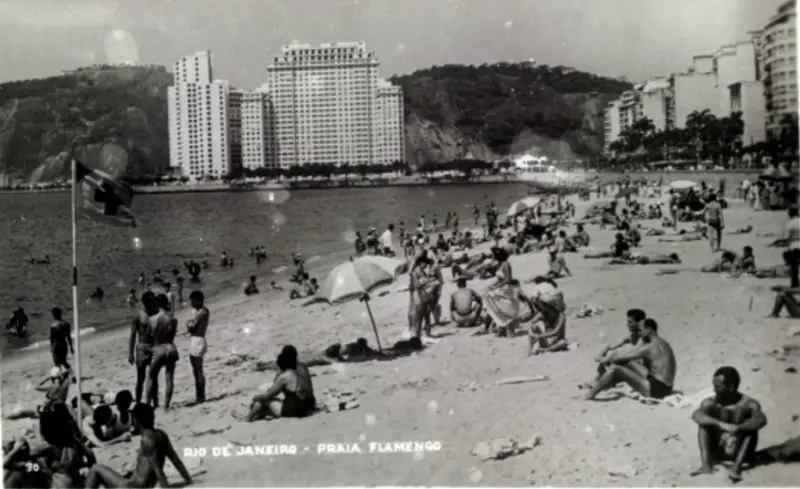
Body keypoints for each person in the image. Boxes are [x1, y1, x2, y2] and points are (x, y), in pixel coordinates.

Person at [84, 404, 193, 488]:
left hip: (133, 486)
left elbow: (157, 470)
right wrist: (188, 480)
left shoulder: (146, 440)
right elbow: (175, 460)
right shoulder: (161, 434)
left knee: (95, 468)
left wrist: (165, 487)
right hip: (141, 484)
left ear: (137, 421)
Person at [690, 366, 768, 482]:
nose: (714, 390)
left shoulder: (748, 404)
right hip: (718, 451)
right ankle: (706, 465)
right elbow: (696, 415)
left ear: (731, 387)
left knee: (751, 427)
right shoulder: (711, 403)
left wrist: (739, 428)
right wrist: (719, 424)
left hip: (740, 452)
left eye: (718, 387)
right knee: (704, 424)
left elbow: (761, 419)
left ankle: (736, 468)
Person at [584, 318, 676, 401]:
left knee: (616, 369)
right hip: (667, 387)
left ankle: (589, 394)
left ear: (649, 330)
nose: (639, 334)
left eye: (640, 330)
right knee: (629, 363)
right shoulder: (663, 343)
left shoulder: (649, 347)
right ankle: (603, 384)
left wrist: (603, 359)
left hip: (656, 390)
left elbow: (622, 357)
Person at [245, 347, 316, 422]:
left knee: (262, 401)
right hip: (307, 405)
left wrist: (255, 397)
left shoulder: (285, 376)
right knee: (268, 405)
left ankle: (248, 419)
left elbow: (268, 395)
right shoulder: (299, 369)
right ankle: (261, 415)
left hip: (294, 411)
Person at [145, 294, 179, 410]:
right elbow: (173, 335)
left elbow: (149, 337)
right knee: (169, 378)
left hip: (158, 349)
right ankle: (166, 406)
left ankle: (148, 404)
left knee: (151, 377)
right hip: (171, 348)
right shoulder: (173, 320)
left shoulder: (152, 320)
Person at [481, 247, 522, 336]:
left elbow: (508, 279)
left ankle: (506, 323)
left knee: (489, 295)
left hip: (506, 288)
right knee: (486, 295)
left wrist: (496, 286)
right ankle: (502, 323)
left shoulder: (506, 264)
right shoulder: (501, 264)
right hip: (502, 287)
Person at [526, 278, 567, 356]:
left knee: (563, 342)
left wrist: (539, 335)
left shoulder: (561, 315)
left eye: (543, 305)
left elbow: (556, 331)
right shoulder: (543, 314)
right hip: (546, 339)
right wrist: (531, 331)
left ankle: (544, 350)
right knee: (537, 324)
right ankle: (530, 350)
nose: (541, 307)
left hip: (555, 340)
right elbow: (530, 322)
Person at [129, 292, 156, 404]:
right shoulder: (138, 316)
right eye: (151, 302)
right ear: (145, 303)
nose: (153, 304)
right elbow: (132, 335)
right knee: (140, 378)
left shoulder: (155, 314)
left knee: (153, 377)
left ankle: (154, 402)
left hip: (153, 346)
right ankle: (139, 402)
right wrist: (130, 353)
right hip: (141, 347)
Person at [187, 290, 209, 404]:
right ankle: (200, 395)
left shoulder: (200, 312)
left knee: (197, 370)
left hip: (196, 340)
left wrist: (188, 323)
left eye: (192, 300)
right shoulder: (204, 311)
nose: (191, 302)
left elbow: (192, 327)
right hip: (200, 339)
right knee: (198, 369)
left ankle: (200, 396)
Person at [783, 207, 800, 288]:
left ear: (789, 214)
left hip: (794, 246)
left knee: (794, 267)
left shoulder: (790, 224)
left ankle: (795, 284)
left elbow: (786, 237)